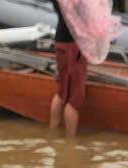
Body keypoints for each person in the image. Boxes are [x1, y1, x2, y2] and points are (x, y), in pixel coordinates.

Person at [49, 0, 87, 137]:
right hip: (74, 44)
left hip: (60, 40)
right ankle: (70, 145)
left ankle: (52, 134)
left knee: (61, 90)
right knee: (74, 98)